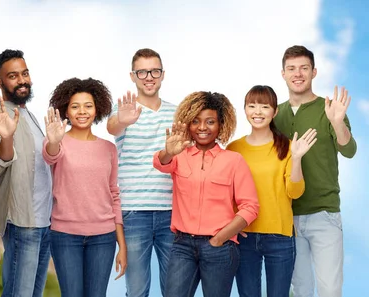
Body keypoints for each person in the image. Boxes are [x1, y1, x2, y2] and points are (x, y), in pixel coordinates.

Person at [153, 91, 259, 297]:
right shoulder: (178, 156)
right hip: (182, 246)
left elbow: (250, 207)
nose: (202, 127)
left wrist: (220, 238)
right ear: (188, 125)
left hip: (219, 248)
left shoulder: (233, 160)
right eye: (196, 121)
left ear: (221, 125)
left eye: (210, 121)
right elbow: (160, 163)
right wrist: (168, 151)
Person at [275, 45, 357, 297]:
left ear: (314, 72)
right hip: (287, 218)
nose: (297, 73)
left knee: (330, 290)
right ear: (283, 74)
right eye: (291, 69)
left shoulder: (330, 109)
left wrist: (336, 122)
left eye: (303, 68)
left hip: (324, 214)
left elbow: (349, 150)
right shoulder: (275, 114)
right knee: (300, 290)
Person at [227, 85, 317, 297]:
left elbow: (295, 192)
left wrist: (296, 158)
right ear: (245, 109)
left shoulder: (287, 147)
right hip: (245, 236)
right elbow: (225, 194)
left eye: (264, 106)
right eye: (252, 106)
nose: (257, 112)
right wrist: (232, 223)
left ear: (275, 112)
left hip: (280, 235)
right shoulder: (233, 149)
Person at [41, 78, 127, 297]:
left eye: (88, 106)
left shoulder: (108, 148)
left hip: (103, 237)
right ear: (66, 111)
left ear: (97, 109)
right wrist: (53, 141)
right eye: (75, 106)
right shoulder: (56, 141)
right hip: (65, 235)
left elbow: (113, 194)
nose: (82, 111)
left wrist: (121, 244)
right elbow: (50, 157)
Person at [106, 48, 176, 297]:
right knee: (136, 290)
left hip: (172, 212)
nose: (149, 76)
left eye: (154, 70)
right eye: (142, 72)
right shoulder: (123, 110)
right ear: (132, 76)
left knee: (175, 289)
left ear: (163, 74)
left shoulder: (176, 113)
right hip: (134, 212)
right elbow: (112, 127)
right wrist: (123, 120)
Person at [0, 49, 53, 297]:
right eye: (13, 76)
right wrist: (7, 136)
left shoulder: (30, 116)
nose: (22, 80)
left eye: (25, 73)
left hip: (44, 222)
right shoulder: (0, 115)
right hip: (22, 222)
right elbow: (3, 158)